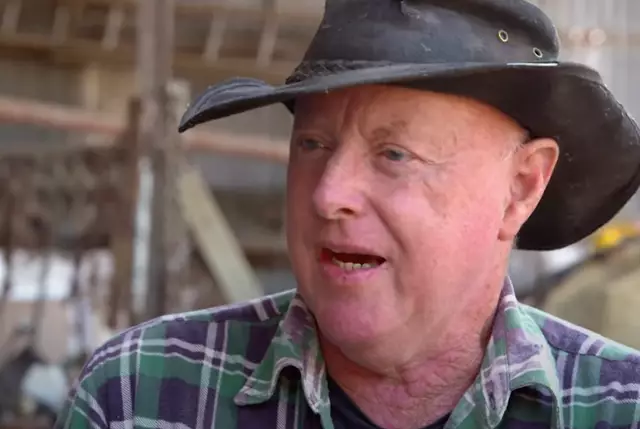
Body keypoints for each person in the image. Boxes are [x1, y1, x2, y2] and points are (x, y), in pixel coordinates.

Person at [55, 0, 640, 428]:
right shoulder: (140, 398)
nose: (327, 193)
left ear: (520, 187)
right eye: (312, 144)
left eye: (394, 154)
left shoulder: (618, 408)